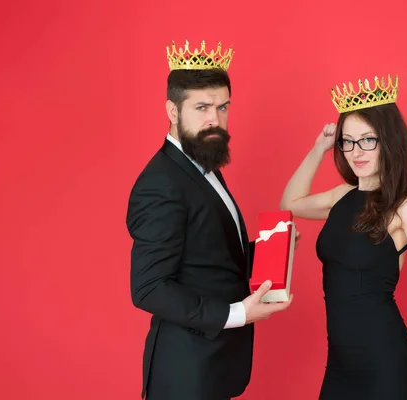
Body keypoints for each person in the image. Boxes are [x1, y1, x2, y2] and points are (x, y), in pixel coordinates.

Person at [280, 74, 407, 399]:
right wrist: (319, 149)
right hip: (340, 366)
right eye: (347, 141)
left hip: (387, 368)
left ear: (388, 142)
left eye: (368, 140)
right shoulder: (340, 196)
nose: (355, 151)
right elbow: (289, 203)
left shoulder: (405, 208)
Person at [126, 40, 293, 400]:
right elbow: (148, 288)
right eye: (201, 107)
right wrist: (236, 314)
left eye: (222, 107)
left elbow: (211, 255)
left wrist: (270, 249)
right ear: (173, 110)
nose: (214, 119)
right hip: (186, 372)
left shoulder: (204, 163)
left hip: (215, 366)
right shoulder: (161, 184)